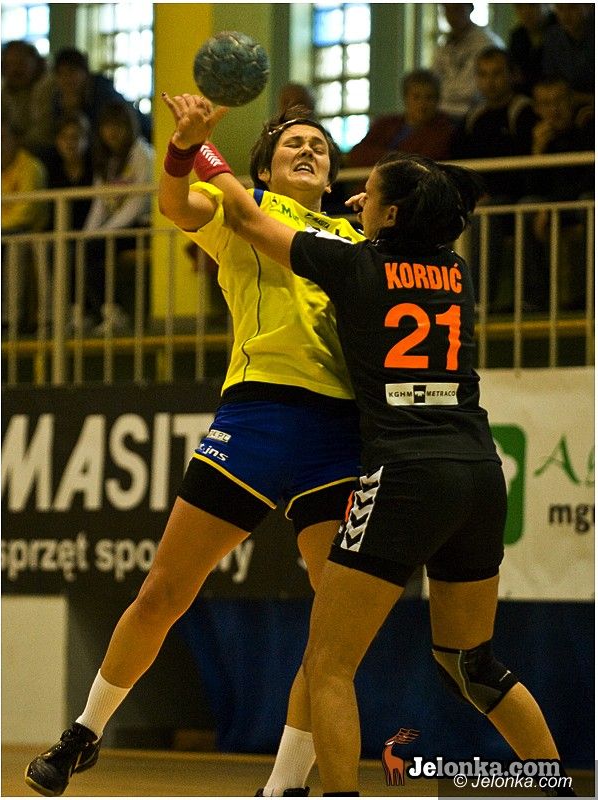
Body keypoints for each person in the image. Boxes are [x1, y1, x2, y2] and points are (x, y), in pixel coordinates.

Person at [167, 97, 575, 798]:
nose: (356, 197)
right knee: (472, 663)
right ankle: (556, 788)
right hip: (479, 471)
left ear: (389, 217)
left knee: (328, 662)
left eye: (370, 193)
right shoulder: (456, 271)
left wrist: (201, 149)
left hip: (406, 473)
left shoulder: (356, 267)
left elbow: (246, 215)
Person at [24, 99, 364, 797]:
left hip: (338, 432)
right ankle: (86, 731)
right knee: (164, 590)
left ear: (332, 175)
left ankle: (282, 785)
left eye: (319, 146)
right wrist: (183, 147)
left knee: (334, 630)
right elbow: (175, 203)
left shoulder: (355, 238)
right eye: (293, 144)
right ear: (264, 171)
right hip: (258, 415)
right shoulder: (247, 211)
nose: (308, 150)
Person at [451, 46, 537, 308]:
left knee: (490, 213)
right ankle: (474, 302)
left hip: (518, 197)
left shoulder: (524, 112)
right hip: (483, 200)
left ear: (512, 75)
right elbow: (461, 164)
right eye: (483, 74)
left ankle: (506, 299)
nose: (490, 81)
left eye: (497, 73)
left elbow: (527, 164)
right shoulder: (473, 118)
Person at [78, 100, 154, 335]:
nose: (112, 132)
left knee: (95, 249)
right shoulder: (107, 160)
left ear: (128, 127)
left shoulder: (142, 154)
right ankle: (89, 312)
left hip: (140, 225)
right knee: (80, 248)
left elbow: (137, 204)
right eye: (107, 126)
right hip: (115, 227)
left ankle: (113, 311)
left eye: (118, 126)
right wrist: (87, 234)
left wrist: (103, 232)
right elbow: (99, 203)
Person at [521, 78, 594, 310]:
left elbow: (588, 181)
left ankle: (590, 294)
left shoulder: (587, 130)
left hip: (579, 202)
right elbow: (528, 189)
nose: (554, 109)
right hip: (550, 207)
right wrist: (537, 154)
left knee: (589, 204)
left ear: (571, 102)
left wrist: (552, 206)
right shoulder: (534, 136)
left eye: (559, 101)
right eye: (546, 103)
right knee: (527, 207)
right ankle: (537, 298)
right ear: (537, 109)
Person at [347, 69, 456, 169]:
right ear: (405, 98)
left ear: (437, 100)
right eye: (416, 97)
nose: (422, 104)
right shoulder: (385, 124)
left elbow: (421, 161)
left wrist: (385, 158)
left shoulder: (444, 129)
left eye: (429, 97)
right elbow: (357, 154)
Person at [2, 115, 49, 332]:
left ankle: (10, 318)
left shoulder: (31, 167)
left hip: (28, 231)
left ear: (16, 140)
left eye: (3, 138)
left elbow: (27, 210)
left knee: (15, 247)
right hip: (4, 232)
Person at [430, 3, 504, 119]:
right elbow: (433, 80)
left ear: (470, 8)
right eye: (447, 10)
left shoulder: (486, 43)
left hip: (474, 113)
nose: (452, 15)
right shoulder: (443, 47)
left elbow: (481, 88)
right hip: (442, 113)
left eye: (457, 9)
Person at [1, 40, 55, 155]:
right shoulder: (6, 91)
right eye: (9, 64)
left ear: (36, 63)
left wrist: (12, 142)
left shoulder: (47, 87)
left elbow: (42, 133)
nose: (15, 69)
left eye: (21, 63)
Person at [541, 4, 594, 110]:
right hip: (566, 105)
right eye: (560, 9)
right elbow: (551, 79)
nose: (566, 15)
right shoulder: (553, 37)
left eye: (572, 7)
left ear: (588, 7)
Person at [507, 4, 557, 97]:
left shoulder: (558, 29)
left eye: (532, 5)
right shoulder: (517, 36)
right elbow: (516, 73)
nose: (526, 12)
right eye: (520, 7)